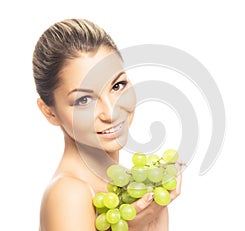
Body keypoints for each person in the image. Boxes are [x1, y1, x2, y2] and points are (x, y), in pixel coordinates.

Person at [33, 18, 181, 231]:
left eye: (118, 85)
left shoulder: (130, 191)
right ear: (49, 112)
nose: (111, 112)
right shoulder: (68, 194)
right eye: (84, 100)